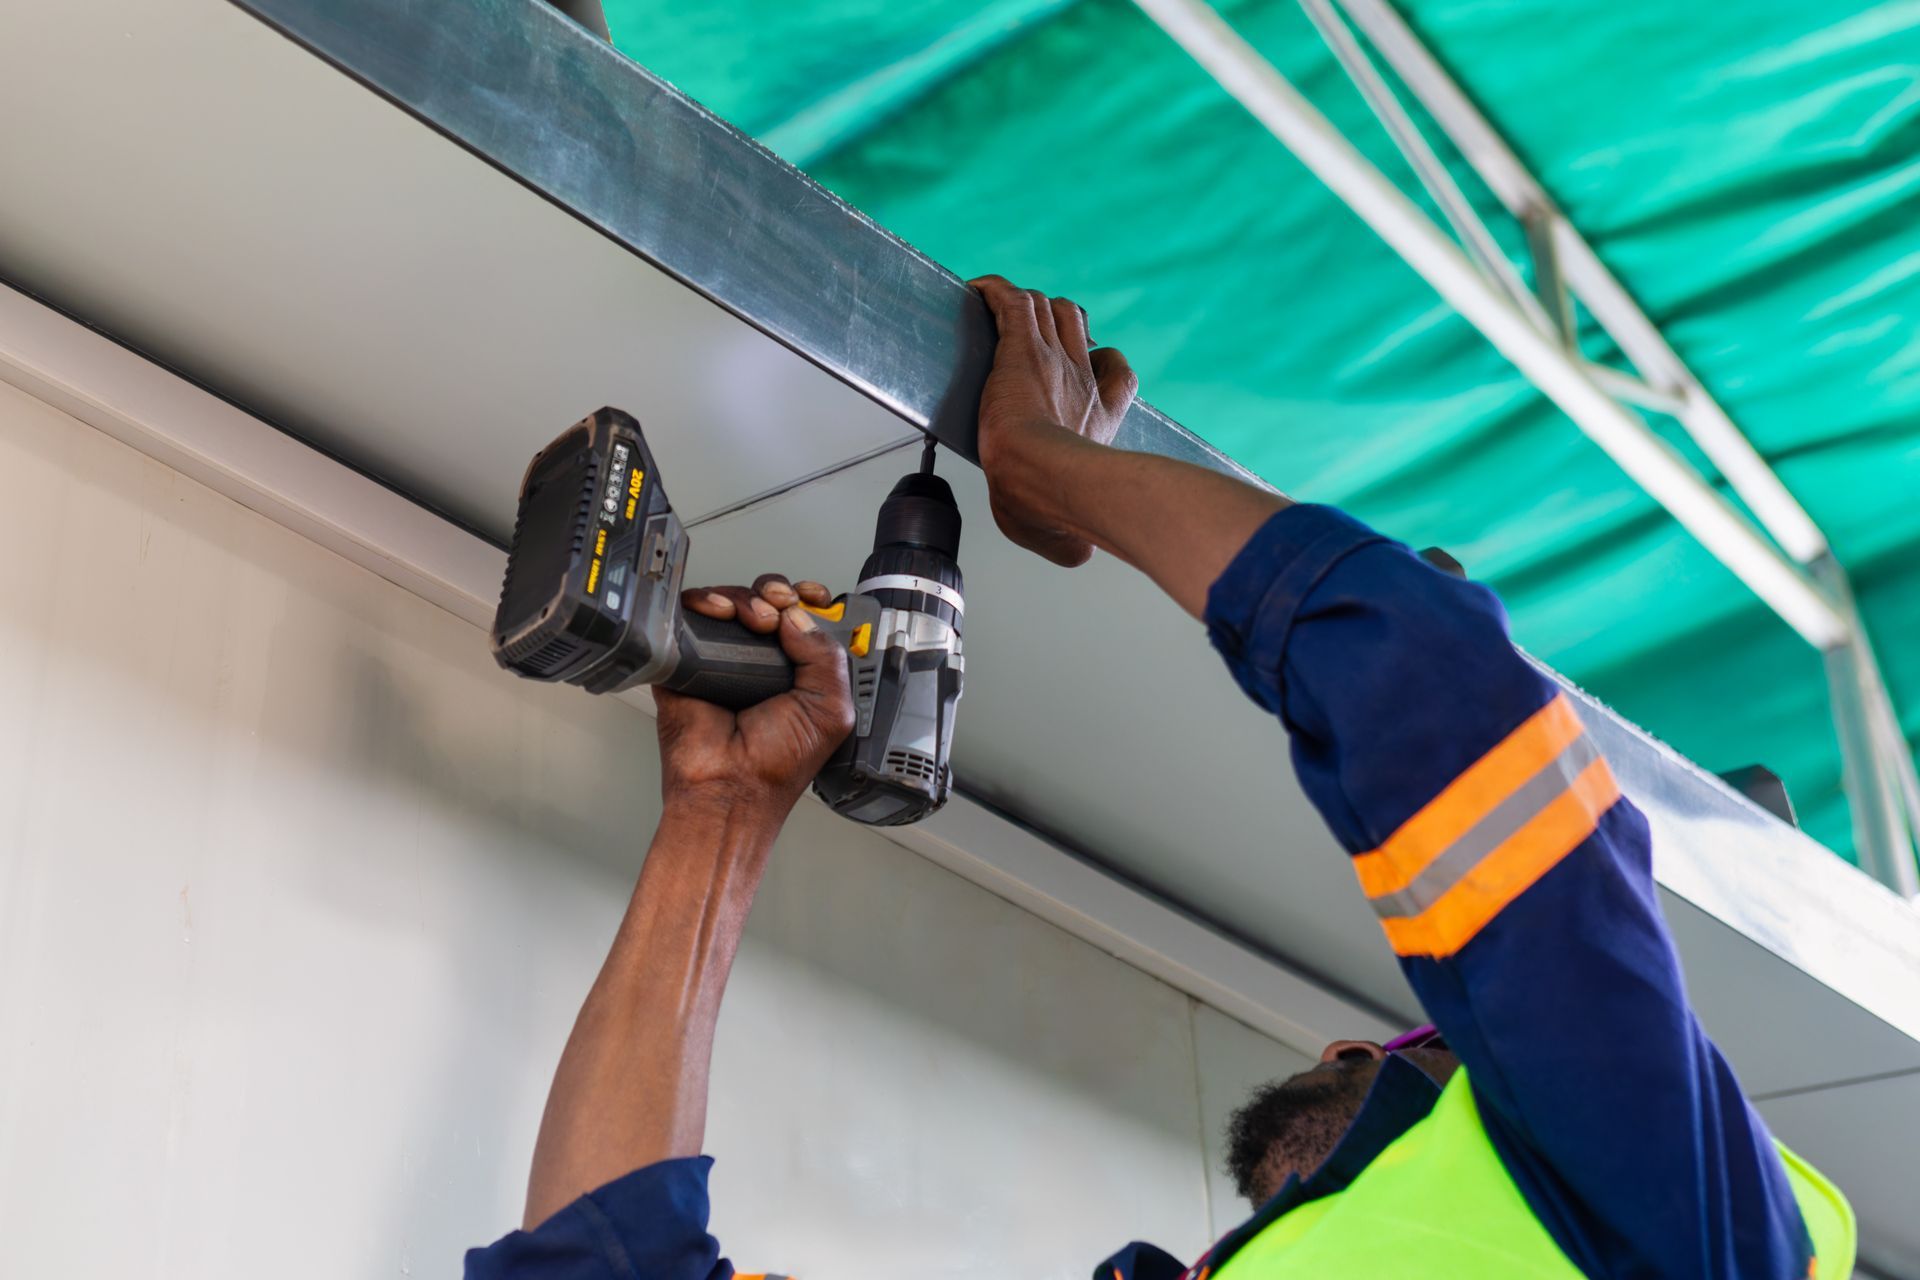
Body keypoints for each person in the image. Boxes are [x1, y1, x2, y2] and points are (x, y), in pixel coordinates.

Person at [466, 277, 1855, 1280]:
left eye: (1419, 1059)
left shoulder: (1692, 1228)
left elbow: (1434, 691)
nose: (1346, 1049)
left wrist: (1046, 466)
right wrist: (717, 819)